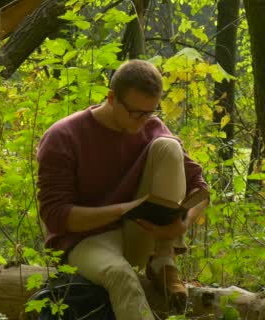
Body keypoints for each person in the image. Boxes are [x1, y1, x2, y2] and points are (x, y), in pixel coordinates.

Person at [36, 59, 209, 319]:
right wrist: (124, 209)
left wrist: (183, 222)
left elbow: (200, 189)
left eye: (149, 112)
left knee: (168, 146)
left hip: (138, 232)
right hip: (84, 240)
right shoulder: (63, 136)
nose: (143, 120)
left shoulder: (152, 128)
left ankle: (163, 261)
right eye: (135, 112)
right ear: (112, 98)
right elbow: (55, 215)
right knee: (121, 277)